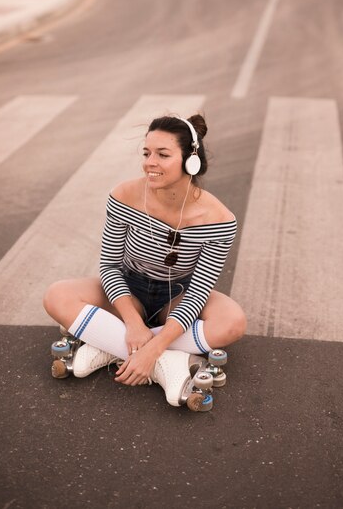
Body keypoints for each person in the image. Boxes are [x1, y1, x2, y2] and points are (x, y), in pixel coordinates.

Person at [43, 114, 246, 397]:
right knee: (57, 295)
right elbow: (110, 266)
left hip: (178, 296)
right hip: (128, 290)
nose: (150, 162)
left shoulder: (219, 220)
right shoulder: (124, 195)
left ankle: (114, 348)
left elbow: (199, 292)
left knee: (233, 322)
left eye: (162, 154)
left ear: (190, 159)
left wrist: (154, 344)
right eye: (147, 152)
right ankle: (164, 363)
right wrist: (133, 323)